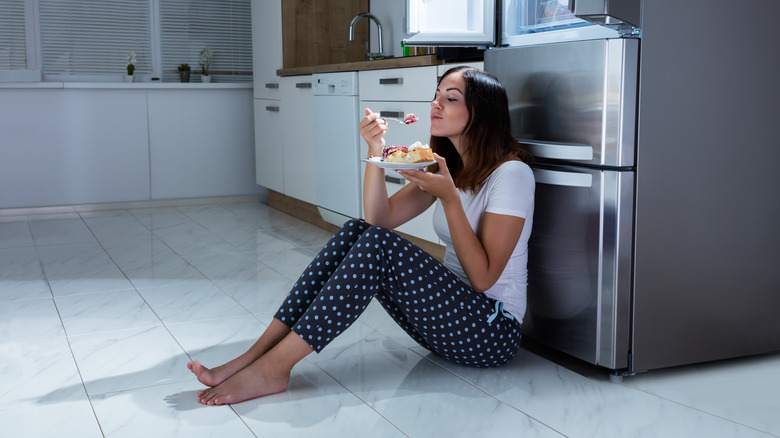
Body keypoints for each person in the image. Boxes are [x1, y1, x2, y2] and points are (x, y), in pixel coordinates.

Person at [187, 66, 535, 406]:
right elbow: (378, 219)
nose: (436, 104)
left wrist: (449, 199)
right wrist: (375, 148)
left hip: (491, 333)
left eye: (451, 98)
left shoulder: (511, 174)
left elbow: (483, 279)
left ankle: (274, 369)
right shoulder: (448, 167)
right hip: (449, 322)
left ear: (482, 112)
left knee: (379, 244)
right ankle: (254, 357)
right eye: (435, 95)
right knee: (358, 230)